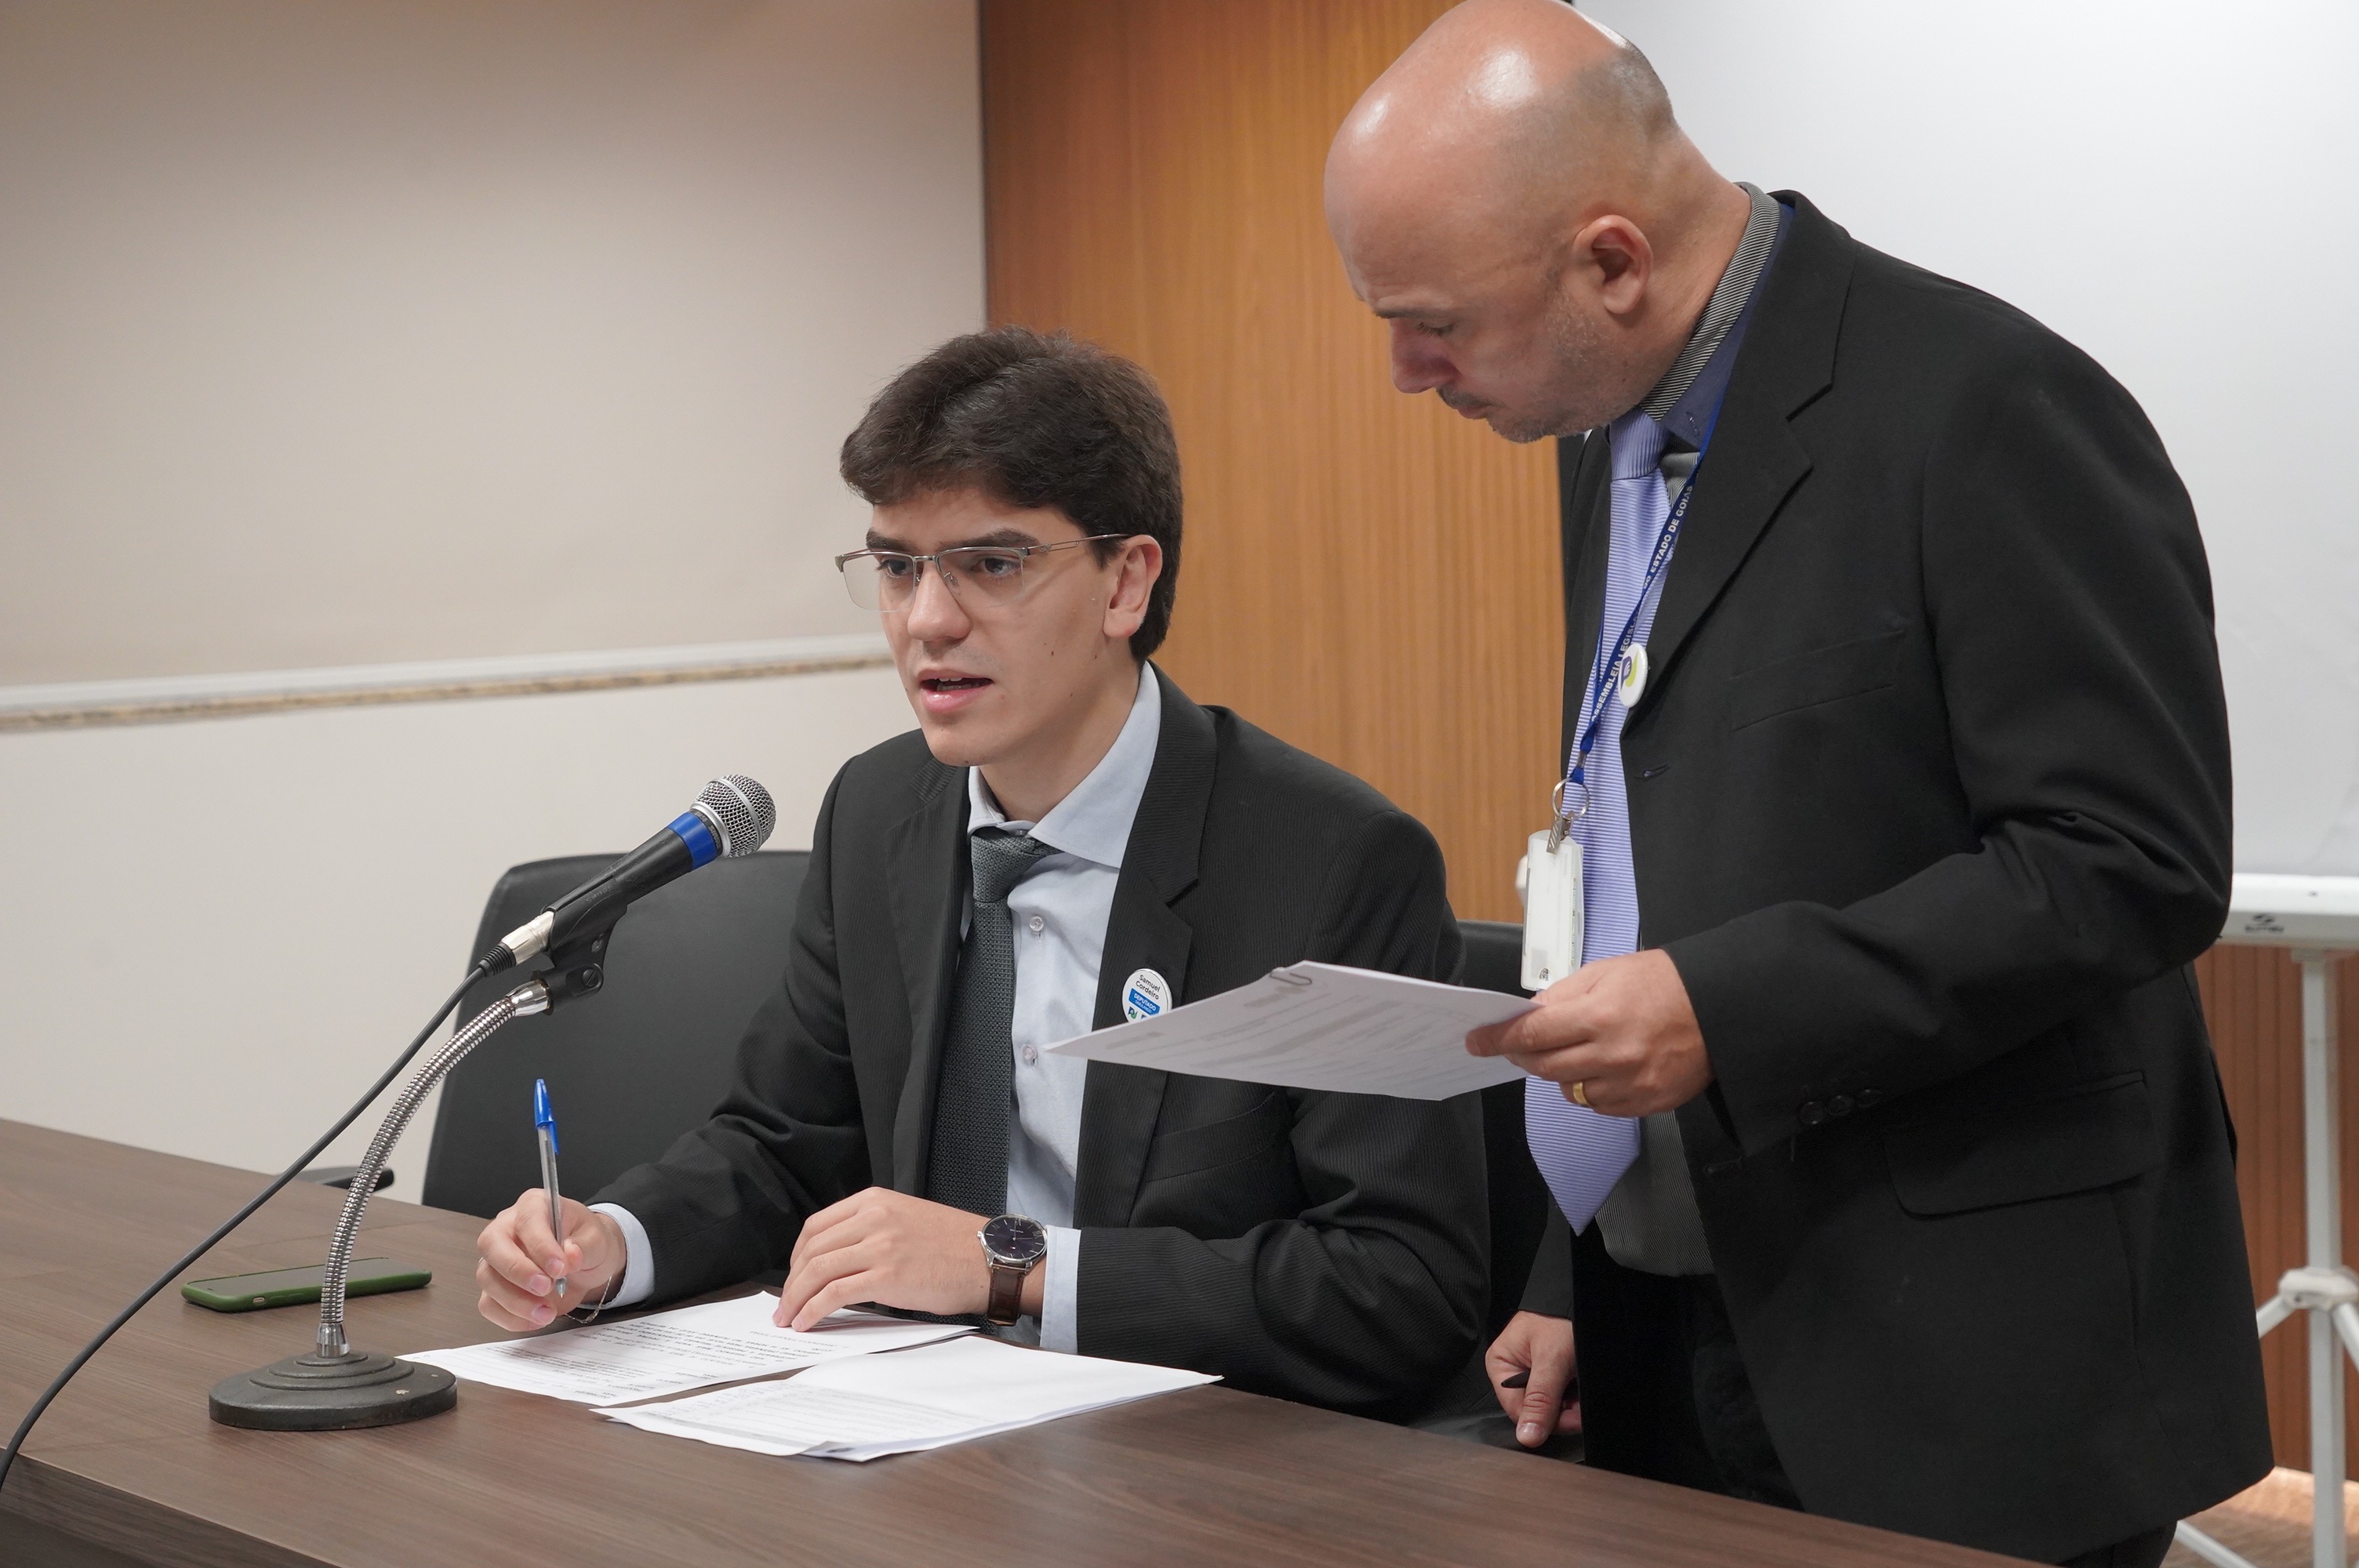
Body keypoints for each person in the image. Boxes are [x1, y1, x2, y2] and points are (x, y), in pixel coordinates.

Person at [1324, 2, 2270, 1564]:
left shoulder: (1983, 406)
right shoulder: (1599, 424)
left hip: (1961, 1366)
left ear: (1612, 262)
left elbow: (2128, 861)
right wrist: (1582, 1251)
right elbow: (1648, 824)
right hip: (1671, 1314)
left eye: (1435, 323)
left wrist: (1725, 1006)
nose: (1405, 374)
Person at [470, 326, 1489, 1419]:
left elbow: (1400, 1287)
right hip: (915, 1424)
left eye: (993, 565)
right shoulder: (879, 811)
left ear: (1125, 583)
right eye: (898, 568)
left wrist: (1014, 1265)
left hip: (1190, 1446)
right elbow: (787, 1145)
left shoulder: (1329, 860)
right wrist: (612, 1243)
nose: (928, 620)